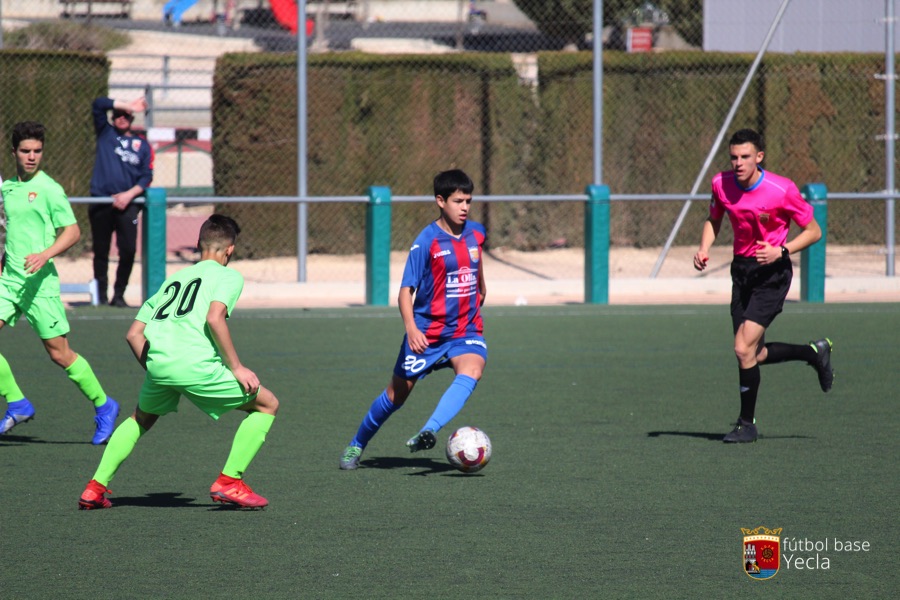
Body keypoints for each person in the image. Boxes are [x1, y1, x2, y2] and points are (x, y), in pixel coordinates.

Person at [78, 214, 279, 510]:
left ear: (198, 245)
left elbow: (134, 334)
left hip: (158, 364)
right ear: (230, 250)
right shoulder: (228, 276)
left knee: (140, 419)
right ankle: (229, 482)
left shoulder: (174, 279)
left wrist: (159, 370)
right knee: (267, 404)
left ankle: (94, 489)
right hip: (195, 365)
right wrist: (237, 367)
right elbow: (214, 318)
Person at [693, 128, 834, 443]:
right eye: (733, 157)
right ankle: (814, 353)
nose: (738, 163)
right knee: (751, 355)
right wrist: (704, 248)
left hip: (772, 273)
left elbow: (813, 231)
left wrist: (781, 251)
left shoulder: (781, 189)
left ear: (759, 157)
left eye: (745, 157)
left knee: (741, 348)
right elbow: (713, 218)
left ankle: (747, 425)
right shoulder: (721, 183)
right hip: (741, 272)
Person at [339, 169, 488, 470]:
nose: (465, 207)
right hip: (427, 334)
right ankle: (356, 445)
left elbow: (476, 269)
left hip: (464, 330)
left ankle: (429, 430)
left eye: (469, 201)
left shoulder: (476, 233)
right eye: (458, 201)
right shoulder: (426, 242)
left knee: (472, 370)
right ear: (440, 201)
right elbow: (405, 292)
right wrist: (411, 329)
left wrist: (480, 290)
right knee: (396, 395)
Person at [0, 121, 120, 444]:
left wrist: (45, 254)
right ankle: (17, 401)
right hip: (9, 282)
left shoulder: (51, 189)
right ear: (13, 152)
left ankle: (104, 405)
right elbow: (12, 233)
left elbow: (72, 231)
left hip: (40, 286)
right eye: (25, 151)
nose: (32, 156)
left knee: (59, 354)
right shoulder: (8, 188)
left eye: (37, 151)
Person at [89, 96, 154, 307]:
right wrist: (127, 105)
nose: (121, 118)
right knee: (101, 251)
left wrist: (128, 195)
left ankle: (119, 294)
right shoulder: (106, 134)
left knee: (127, 250)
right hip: (101, 202)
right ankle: (101, 294)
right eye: (117, 114)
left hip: (128, 205)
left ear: (132, 118)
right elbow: (98, 105)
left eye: (126, 115)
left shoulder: (142, 145)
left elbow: (146, 177)